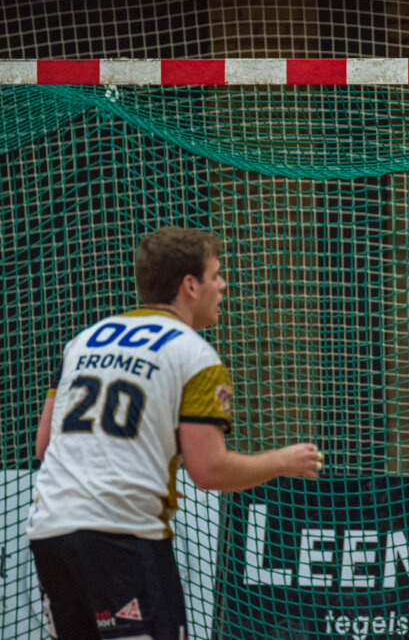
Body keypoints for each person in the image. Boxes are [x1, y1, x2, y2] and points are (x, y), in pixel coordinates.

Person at [27, 226, 324, 640]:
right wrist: (283, 461)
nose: (223, 285)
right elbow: (209, 471)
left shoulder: (83, 342)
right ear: (190, 285)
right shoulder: (194, 354)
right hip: (122, 534)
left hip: (51, 531)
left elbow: (45, 445)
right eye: (215, 275)